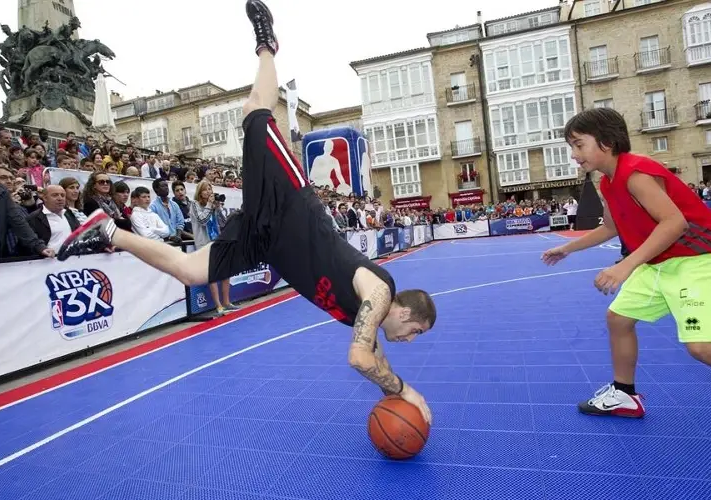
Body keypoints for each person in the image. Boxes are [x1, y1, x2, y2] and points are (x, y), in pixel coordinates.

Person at [56, 0, 436, 424]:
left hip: (264, 242)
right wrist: (404, 390)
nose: (409, 340)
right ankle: (267, 44)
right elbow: (360, 358)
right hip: (288, 203)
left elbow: (375, 361)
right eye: (415, 332)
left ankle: (108, 231)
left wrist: (407, 396)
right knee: (254, 109)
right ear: (405, 312)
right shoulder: (380, 292)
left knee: (189, 272)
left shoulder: (369, 315)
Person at [542, 107, 711, 418]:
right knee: (619, 319)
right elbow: (611, 227)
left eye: (578, 145)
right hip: (661, 261)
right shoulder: (607, 182)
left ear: (606, 142)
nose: (574, 155)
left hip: (698, 261)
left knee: (701, 347)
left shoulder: (636, 172)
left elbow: (674, 223)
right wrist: (569, 249)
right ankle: (625, 394)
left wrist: (624, 266)